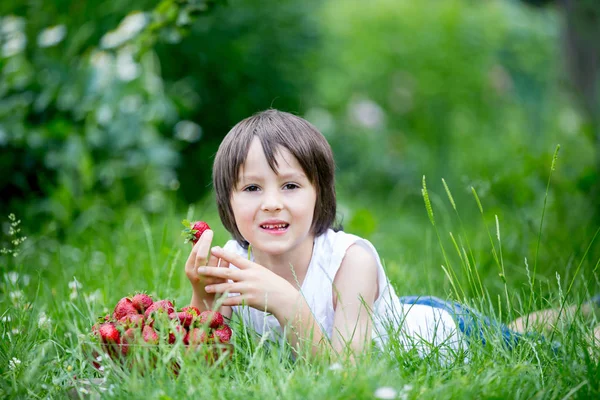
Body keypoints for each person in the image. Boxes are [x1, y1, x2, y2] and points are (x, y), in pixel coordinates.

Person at [183, 109, 593, 361]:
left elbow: (347, 373)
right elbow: (202, 364)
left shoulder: (351, 261)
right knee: (520, 329)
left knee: (539, 349)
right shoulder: (235, 266)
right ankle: (573, 311)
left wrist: (291, 305)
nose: (272, 202)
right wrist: (202, 300)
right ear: (227, 202)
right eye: (253, 188)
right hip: (380, 314)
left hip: (444, 332)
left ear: (319, 195)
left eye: (290, 186)